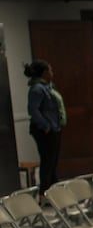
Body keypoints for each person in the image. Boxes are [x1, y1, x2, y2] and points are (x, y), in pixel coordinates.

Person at [25, 59, 64, 195]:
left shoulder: (48, 87)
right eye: (50, 70)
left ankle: (55, 192)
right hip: (44, 130)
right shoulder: (36, 89)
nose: (52, 73)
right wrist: (45, 126)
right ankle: (44, 193)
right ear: (44, 73)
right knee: (47, 162)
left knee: (52, 162)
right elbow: (33, 110)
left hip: (55, 128)